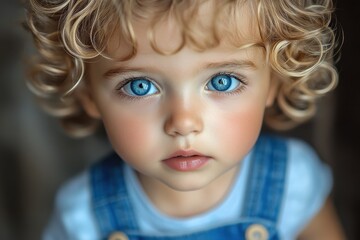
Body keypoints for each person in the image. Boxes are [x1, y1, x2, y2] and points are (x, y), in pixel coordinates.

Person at [24, 0, 345, 239]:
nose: (183, 122)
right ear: (89, 95)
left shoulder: (292, 181)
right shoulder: (83, 216)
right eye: (141, 86)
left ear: (273, 83)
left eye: (223, 81)